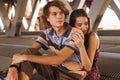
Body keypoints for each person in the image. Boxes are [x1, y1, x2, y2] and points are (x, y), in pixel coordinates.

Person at [6, 1, 86, 80]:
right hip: (56, 71)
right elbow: (29, 51)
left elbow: (59, 59)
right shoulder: (47, 34)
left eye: (61, 13)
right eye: (54, 14)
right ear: (47, 18)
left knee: (27, 57)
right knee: (30, 53)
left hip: (71, 75)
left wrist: (25, 57)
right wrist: (13, 67)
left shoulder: (75, 33)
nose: (59, 16)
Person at [69, 9, 101, 80]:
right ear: (73, 26)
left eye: (86, 24)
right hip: (76, 72)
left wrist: (81, 46)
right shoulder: (72, 36)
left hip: (89, 75)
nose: (84, 27)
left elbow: (88, 68)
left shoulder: (92, 37)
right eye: (79, 25)